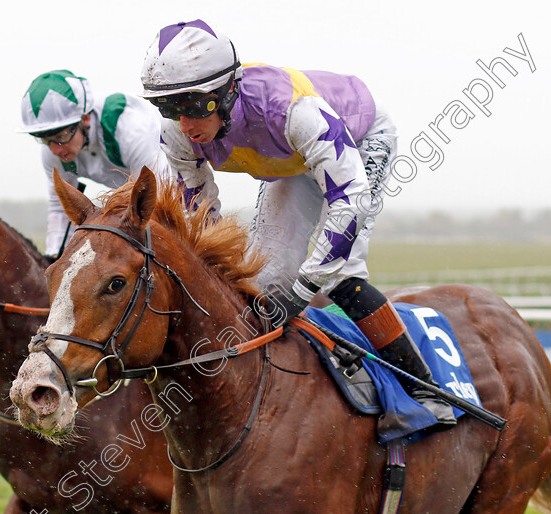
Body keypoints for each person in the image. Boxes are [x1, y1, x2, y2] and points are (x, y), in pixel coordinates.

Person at [140, 20, 455, 429]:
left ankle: (426, 391)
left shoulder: (294, 110)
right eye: (170, 108)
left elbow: (350, 198)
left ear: (227, 91)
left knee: (339, 275)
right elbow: (201, 220)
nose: (185, 124)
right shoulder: (178, 135)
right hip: (290, 162)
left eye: (195, 107)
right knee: (265, 280)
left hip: (355, 144)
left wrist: (305, 287)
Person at [18, 70, 171, 258]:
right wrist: (54, 258)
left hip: (178, 182)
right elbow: (60, 208)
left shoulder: (130, 129)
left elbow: (158, 201)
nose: (55, 150)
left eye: (61, 136)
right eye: (44, 139)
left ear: (85, 119)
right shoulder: (54, 150)